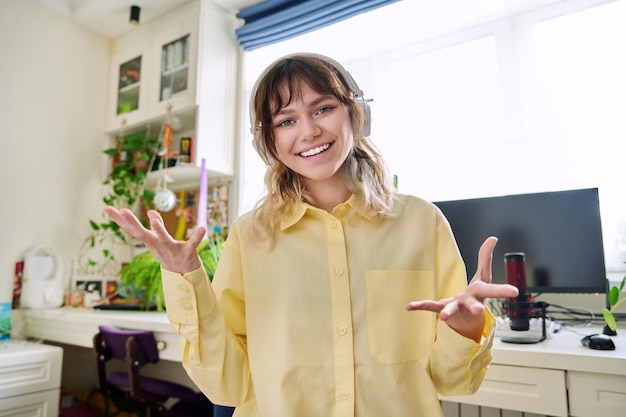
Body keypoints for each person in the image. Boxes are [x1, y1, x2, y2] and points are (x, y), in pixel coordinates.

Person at [104, 53, 518, 417]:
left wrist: (467, 327)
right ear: (270, 141)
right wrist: (184, 274)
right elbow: (229, 385)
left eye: (322, 109)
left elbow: (451, 382)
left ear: (356, 114)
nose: (308, 131)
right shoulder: (251, 236)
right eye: (286, 120)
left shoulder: (421, 222)